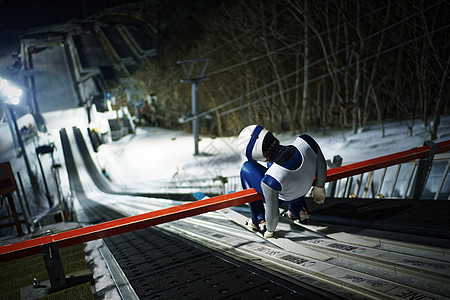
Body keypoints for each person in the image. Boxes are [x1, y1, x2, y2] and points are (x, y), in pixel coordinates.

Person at [238, 125, 327, 238]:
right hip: (304, 187)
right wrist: (320, 186)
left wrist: (270, 230)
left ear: (261, 157)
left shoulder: (270, 180)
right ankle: (298, 210)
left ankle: (259, 221)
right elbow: (322, 164)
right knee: (275, 167)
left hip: (285, 196)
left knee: (247, 168)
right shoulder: (306, 141)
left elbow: (273, 212)